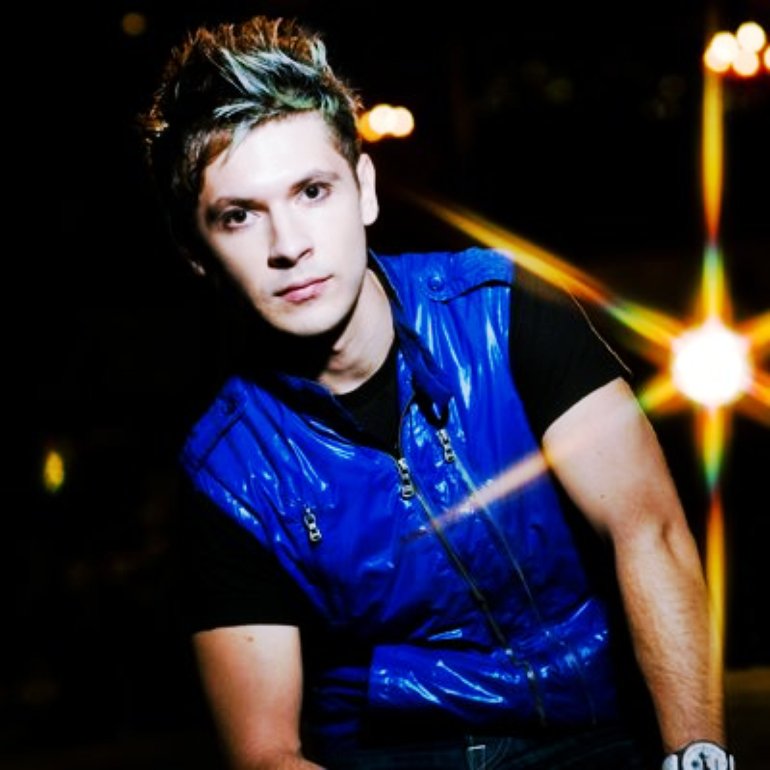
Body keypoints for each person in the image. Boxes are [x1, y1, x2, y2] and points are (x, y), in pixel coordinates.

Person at [138, 14, 733, 770]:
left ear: (363, 190)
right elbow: (265, 752)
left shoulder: (505, 312)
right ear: (197, 253)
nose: (289, 245)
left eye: (312, 191)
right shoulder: (228, 473)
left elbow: (649, 533)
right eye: (239, 216)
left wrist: (697, 754)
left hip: (595, 729)